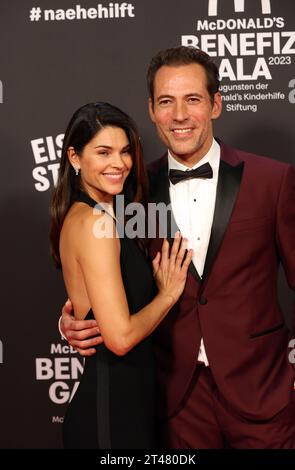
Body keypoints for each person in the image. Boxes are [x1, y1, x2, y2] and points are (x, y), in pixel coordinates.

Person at [60, 47, 295, 449]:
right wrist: (74, 318)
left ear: (216, 104)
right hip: (175, 402)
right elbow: (115, 274)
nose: (180, 115)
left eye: (193, 100)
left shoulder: (272, 181)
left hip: (261, 391)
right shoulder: (132, 193)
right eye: (167, 102)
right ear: (151, 110)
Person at [51, 101, 192, 449]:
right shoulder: (94, 222)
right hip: (109, 416)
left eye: (125, 151)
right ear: (74, 157)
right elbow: (120, 337)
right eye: (103, 152)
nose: (119, 163)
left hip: (128, 405)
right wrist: (168, 295)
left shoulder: (112, 214)